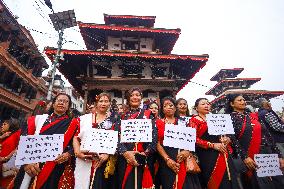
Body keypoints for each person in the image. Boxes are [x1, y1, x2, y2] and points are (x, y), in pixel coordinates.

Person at [11, 93, 78, 189]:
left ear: (68, 106)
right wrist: (26, 162)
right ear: (53, 103)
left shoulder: (73, 123)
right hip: (30, 164)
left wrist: (68, 154)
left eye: (65, 101)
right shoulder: (36, 120)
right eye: (59, 100)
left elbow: (76, 143)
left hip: (53, 166)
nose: (62, 103)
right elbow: (23, 139)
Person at [226, 94, 284, 189]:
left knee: (278, 182)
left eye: (244, 100)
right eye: (239, 100)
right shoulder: (229, 118)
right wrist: (245, 157)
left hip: (267, 152)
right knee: (259, 184)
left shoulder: (254, 116)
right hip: (250, 155)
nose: (243, 102)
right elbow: (233, 140)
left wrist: (279, 156)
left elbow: (267, 135)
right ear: (232, 104)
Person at [190, 98, 240, 189]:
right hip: (207, 154)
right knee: (215, 180)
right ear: (196, 108)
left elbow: (228, 133)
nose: (206, 105)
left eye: (208, 103)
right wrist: (212, 145)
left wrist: (227, 139)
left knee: (230, 177)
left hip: (223, 151)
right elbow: (193, 139)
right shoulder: (194, 120)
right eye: (203, 104)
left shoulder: (218, 118)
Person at [73, 92, 118, 189]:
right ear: (96, 103)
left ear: (110, 103)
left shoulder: (114, 121)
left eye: (106, 101)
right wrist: (77, 152)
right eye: (101, 101)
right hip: (84, 158)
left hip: (103, 160)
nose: (103, 103)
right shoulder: (84, 119)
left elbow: (116, 140)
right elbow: (76, 137)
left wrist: (107, 154)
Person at [115, 87, 157, 189]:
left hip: (143, 157)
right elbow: (115, 136)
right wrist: (125, 153)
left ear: (141, 98)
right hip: (125, 158)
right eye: (132, 95)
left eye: (137, 95)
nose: (135, 97)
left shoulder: (148, 115)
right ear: (128, 98)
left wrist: (145, 152)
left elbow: (154, 135)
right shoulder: (121, 116)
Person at [155, 97, 201, 189]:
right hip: (166, 160)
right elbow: (157, 143)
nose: (169, 107)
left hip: (183, 157)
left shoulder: (184, 122)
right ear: (162, 110)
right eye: (165, 106)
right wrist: (167, 159)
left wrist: (187, 151)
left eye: (171, 105)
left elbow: (191, 139)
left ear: (175, 108)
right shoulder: (157, 123)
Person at [0, 118, 21, 188]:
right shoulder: (6, 137)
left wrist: (5, 158)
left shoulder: (12, 138)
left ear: (11, 126)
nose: (2, 126)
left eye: (4, 124)